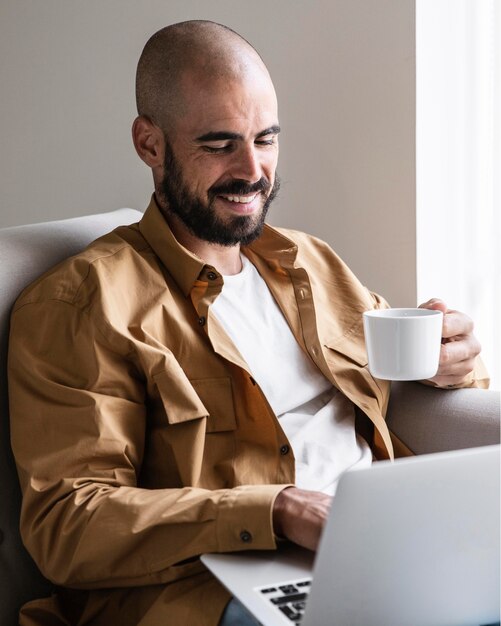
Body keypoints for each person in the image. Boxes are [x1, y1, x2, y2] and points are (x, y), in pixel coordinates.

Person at [8, 20, 488, 626]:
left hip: (377, 554)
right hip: (218, 589)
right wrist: (275, 510)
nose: (253, 170)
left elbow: (414, 386)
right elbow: (68, 523)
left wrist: (458, 364)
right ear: (149, 143)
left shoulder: (309, 264)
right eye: (219, 144)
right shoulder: (83, 305)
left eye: (265, 139)